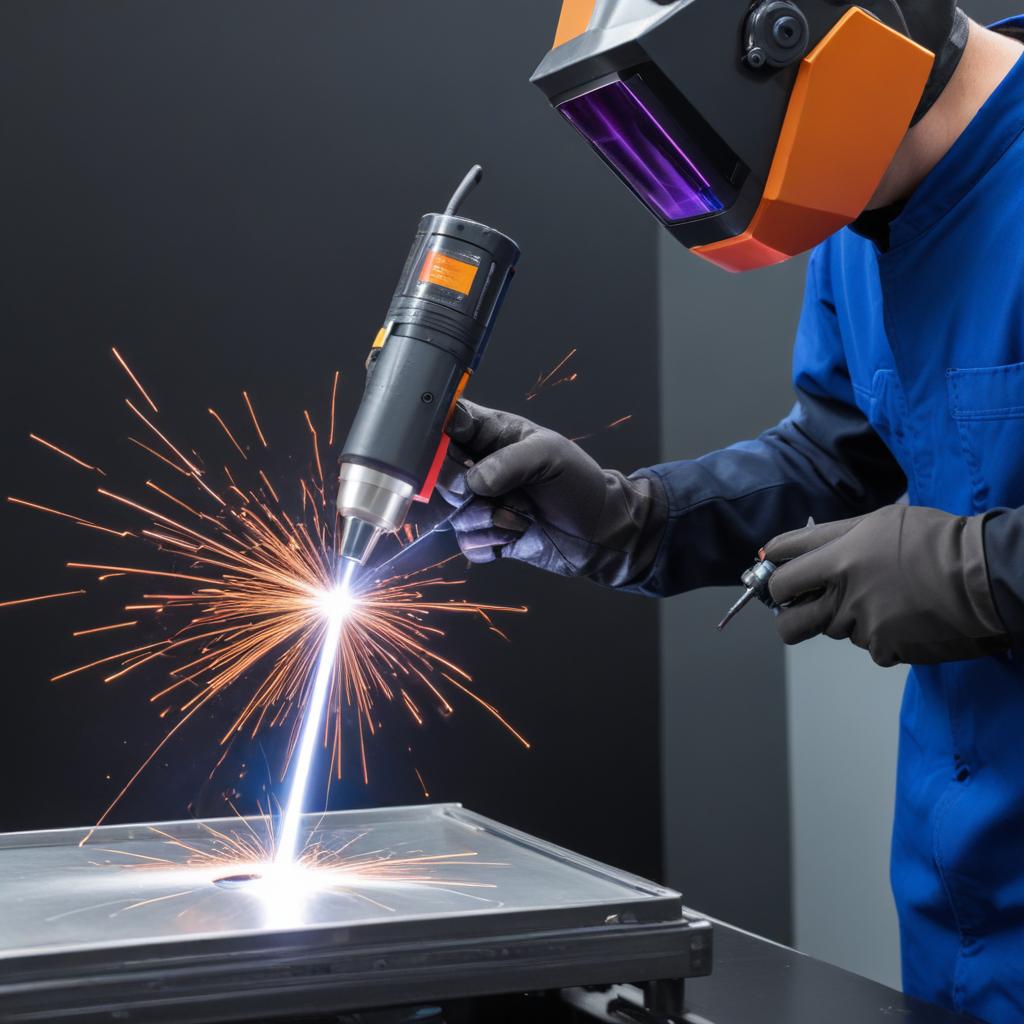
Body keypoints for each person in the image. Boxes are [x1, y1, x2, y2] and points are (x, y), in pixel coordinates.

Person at [441, 9, 1024, 1024]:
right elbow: (835, 450)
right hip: (961, 903)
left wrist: (981, 568)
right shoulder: (858, 213)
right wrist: (635, 519)